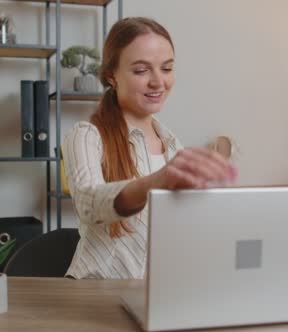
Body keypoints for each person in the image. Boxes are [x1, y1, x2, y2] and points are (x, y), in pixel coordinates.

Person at [63, 17, 237, 279]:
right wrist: (158, 180)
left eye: (166, 69)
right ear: (112, 76)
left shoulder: (171, 144)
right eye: (141, 70)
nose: (158, 82)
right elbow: (88, 204)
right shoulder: (87, 135)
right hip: (94, 293)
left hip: (153, 292)